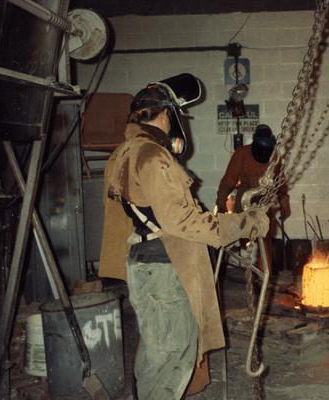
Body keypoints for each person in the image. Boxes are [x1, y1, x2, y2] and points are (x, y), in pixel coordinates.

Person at [99, 75, 269, 399]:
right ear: (166, 115)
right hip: (164, 268)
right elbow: (182, 220)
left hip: (147, 261)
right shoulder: (152, 156)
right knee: (172, 354)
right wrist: (242, 225)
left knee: (156, 351)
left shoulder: (124, 152)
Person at [215, 124, 290, 273]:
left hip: (265, 202)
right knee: (239, 235)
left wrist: (284, 202)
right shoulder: (241, 154)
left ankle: (264, 276)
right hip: (245, 200)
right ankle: (233, 269)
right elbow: (229, 180)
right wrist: (221, 202)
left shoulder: (274, 158)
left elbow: (280, 183)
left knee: (265, 239)